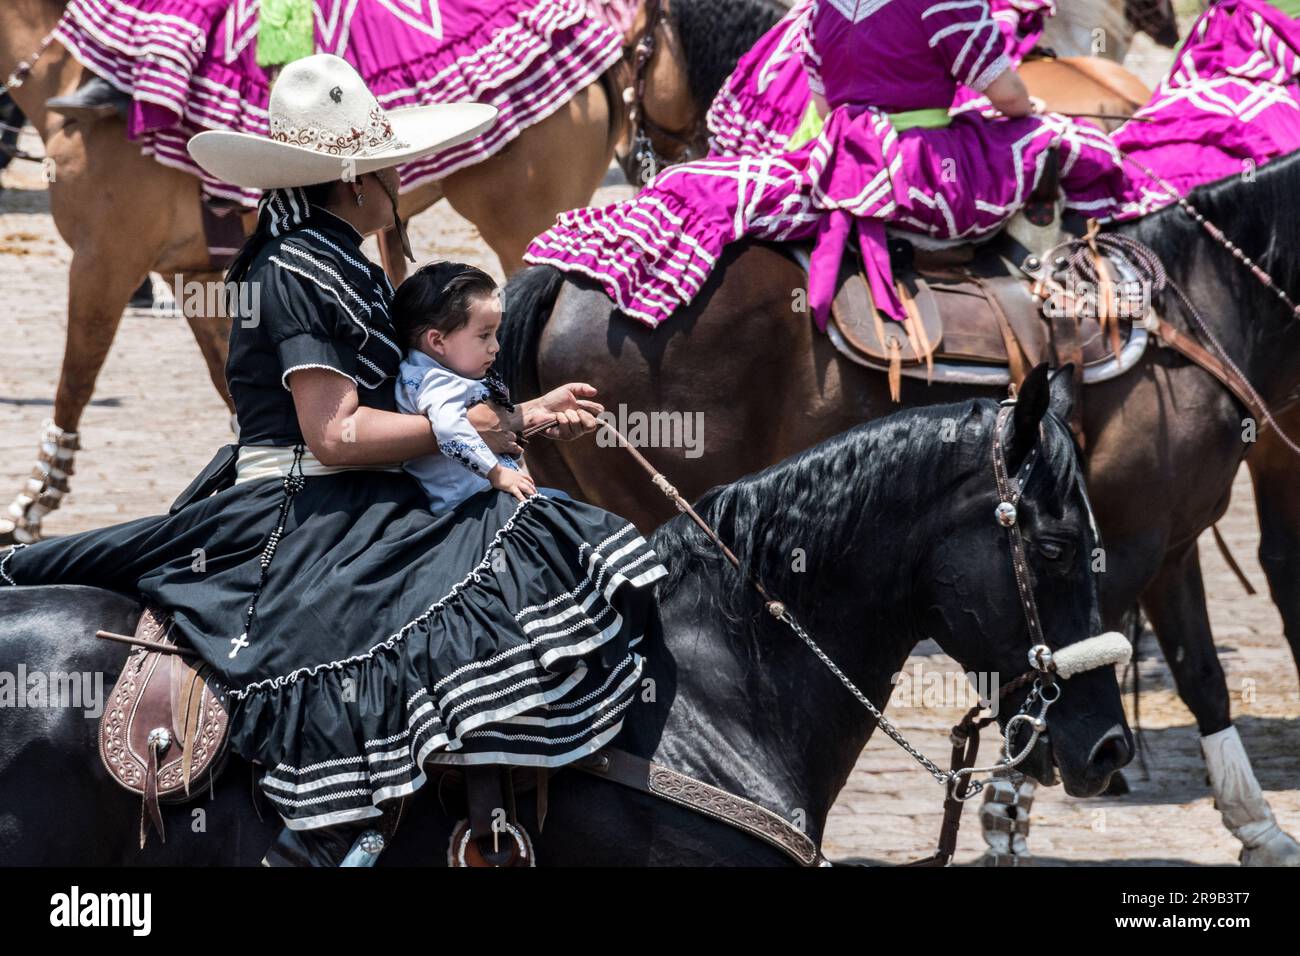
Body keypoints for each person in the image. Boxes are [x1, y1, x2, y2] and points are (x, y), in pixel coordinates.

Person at [0, 54, 669, 865]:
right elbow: (336, 434)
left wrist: (514, 417)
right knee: (435, 603)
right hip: (302, 508)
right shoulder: (295, 269)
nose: (399, 180)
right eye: (387, 168)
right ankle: (341, 828)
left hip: (350, 490)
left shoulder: (337, 251)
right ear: (354, 180)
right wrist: (495, 427)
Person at [525, 0, 1126, 329]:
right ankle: (1073, 301)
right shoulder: (949, 4)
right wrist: (1022, 108)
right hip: (920, 166)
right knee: (1062, 141)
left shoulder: (819, 14)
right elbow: (1008, 98)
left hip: (841, 156)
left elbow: (821, 106)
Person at [392, 261, 545, 514]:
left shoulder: (439, 374)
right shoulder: (435, 381)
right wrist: (496, 473)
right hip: (473, 508)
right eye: (484, 335)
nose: (495, 346)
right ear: (438, 341)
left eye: (495, 334)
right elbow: (450, 429)